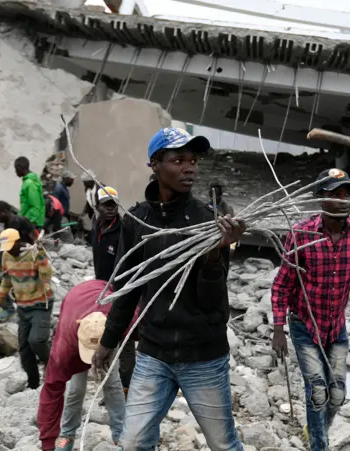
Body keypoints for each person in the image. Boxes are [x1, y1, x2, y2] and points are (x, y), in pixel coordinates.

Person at [91, 128, 246, 451]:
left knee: (223, 445)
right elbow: (127, 289)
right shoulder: (136, 221)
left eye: (192, 160)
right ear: (155, 165)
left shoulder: (208, 222)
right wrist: (109, 341)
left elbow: (215, 306)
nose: (190, 168)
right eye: (178, 160)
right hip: (154, 354)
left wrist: (215, 254)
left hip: (203, 356)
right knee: (133, 442)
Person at [271, 168, 350, 451]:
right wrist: (278, 329)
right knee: (318, 390)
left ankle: (316, 429)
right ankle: (320, 445)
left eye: (345, 193)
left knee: (338, 394)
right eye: (334, 194)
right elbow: (282, 284)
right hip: (303, 323)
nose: (342, 200)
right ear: (321, 198)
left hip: (336, 325)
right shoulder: (301, 233)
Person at [38, 280, 128, 451]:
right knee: (75, 389)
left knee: (112, 384)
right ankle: (67, 435)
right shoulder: (65, 347)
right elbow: (51, 392)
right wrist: (48, 444)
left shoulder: (122, 319)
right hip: (76, 306)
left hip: (107, 327)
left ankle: (121, 436)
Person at [0, 228, 53, 389]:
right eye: (7, 247)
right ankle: (33, 384)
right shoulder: (6, 256)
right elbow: (6, 281)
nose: (10, 250)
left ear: (19, 241)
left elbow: (47, 277)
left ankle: (51, 364)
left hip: (40, 304)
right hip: (23, 307)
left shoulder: (33, 253)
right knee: (25, 350)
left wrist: (40, 255)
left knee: (37, 340)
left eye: (12, 245)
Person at [89, 186, 136, 394]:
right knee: (105, 337)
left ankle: (127, 389)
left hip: (121, 291)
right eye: (105, 205)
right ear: (97, 207)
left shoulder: (124, 229)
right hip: (102, 289)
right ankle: (111, 389)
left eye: (113, 205)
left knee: (123, 340)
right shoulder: (96, 226)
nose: (110, 209)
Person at [15, 156, 46, 229]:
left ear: (20, 167)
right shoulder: (30, 181)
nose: (15, 171)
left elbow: (35, 206)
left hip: (32, 222)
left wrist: (27, 221)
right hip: (30, 220)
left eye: (16, 169)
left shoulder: (29, 184)